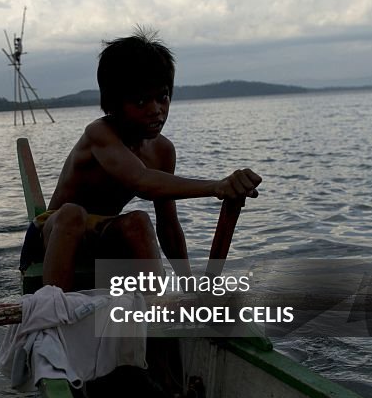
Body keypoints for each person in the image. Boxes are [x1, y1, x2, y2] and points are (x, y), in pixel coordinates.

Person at [27, 29, 261, 290]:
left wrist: (187, 284)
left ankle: (155, 312)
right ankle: (52, 313)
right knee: (73, 213)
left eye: (162, 97)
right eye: (140, 101)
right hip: (56, 234)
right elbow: (141, 180)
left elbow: (169, 226)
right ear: (115, 105)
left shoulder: (163, 151)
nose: (155, 110)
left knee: (139, 221)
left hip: (101, 235)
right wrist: (217, 186)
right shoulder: (99, 134)